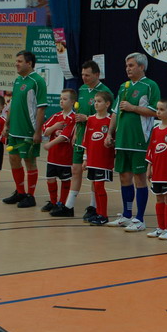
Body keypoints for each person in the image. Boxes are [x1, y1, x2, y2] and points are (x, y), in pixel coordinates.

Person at [50, 60, 114, 218]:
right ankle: (69, 206)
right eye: (83, 75)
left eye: (88, 75)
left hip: (95, 139)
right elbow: (78, 116)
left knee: (94, 174)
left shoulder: (105, 92)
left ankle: (93, 206)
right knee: (75, 170)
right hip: (81, 136)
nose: (84, 78)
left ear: (97, 74)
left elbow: (108, 117)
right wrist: (76, 133)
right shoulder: (83, 89)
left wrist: (88, 119)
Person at [106, 52, 161, 232]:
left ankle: (140, 219)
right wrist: (109, 133)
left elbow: (156, 112)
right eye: (126, 66)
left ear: (141, 67)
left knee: (139, 178)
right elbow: (115, 112)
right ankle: (126, 215)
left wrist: (133, 108)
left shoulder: (150, 85)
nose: (127, 69)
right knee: (124, 177)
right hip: (122, 140)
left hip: (139, 140)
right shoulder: (124, 86)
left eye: (131, 65)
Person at [2, 51, 48, 208]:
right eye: (16, 61)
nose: (16, 64)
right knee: (13, 159)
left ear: (29, 63)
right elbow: (12, 104)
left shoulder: (37, 81)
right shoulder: (17, 81)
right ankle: (20, 192)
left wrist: (38, 131)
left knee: (30, 162)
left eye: (20, 61)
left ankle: (30, 196)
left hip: (28, 130)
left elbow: (41, 108)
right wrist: (7, 124)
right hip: (14, 130)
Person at [145, 99, 167, 240]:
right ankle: (160, 227)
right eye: (157, 109)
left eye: (161, 109)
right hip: (157, 170)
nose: (158, 112)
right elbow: (151, 150)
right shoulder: (155, 129)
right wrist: (149, 167)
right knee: (158, 198)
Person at [80, 91, 115, 225]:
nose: (96, 104)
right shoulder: (90, 120)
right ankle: (98, 213)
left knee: (100, 185)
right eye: (95, 101)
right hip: (92, 160)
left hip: (104, 160)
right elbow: (86, 141)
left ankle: (103, 215)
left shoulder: (111, 121)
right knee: (95, 185)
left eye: (99, 101)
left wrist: (111, 143)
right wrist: (85, 159)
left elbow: (114, 140)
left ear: (107, 104)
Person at [41, 89, 77, 213]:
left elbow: (65, 136)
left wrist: (49, 144)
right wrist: (54, 127)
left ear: (72, 102)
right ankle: (53, 202)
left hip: (65, 156)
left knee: (65, 180)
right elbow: (45, 131)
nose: (61, 101)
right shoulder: (56, 116)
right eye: (61, 99)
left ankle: (62, 203)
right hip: (53, 156)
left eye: (65, 99)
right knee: (50, 179)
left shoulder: (73, 118)